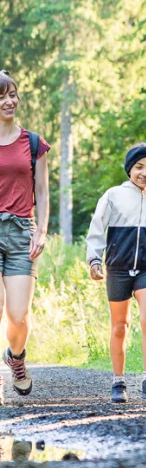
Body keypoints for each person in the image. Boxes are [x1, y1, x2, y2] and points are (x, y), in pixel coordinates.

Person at [86, 142, 146, 404]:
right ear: (129, 169)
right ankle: (118, 382)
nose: (144, 173)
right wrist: (94, 259)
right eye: (139, 167)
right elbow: (97, 229)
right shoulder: (113, 195)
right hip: (118, 268)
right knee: (120, 326)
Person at [0, 70, 49, 405]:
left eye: (13, 94)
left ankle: (16, 358)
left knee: (19, 316)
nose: (9, 101)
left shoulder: (32, 142)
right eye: (2, 96)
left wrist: (42, 230)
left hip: (21, 232)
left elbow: (43, 192)